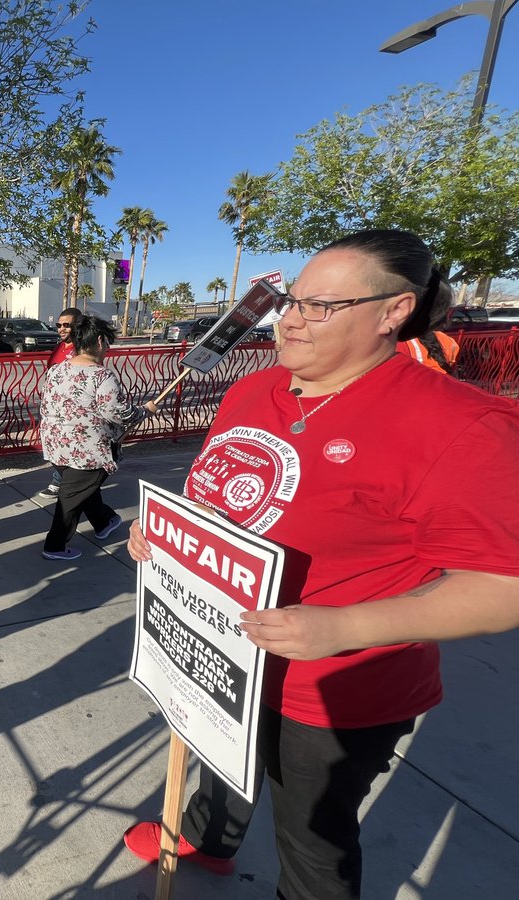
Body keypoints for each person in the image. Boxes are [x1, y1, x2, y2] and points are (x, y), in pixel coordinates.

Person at [122, 228, 519, 900]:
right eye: (291, 302)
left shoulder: (461, 424)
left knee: (312, 841)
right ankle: (209, 837)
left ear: (394, 310)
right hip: (225, 654)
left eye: (320, 307)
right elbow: (216, 495)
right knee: (220, 761)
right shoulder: (254, 390)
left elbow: (503, 585)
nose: (290, 321)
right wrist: (163, 534)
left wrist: (341, 628)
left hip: (333, 687)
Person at [37, 315, 146, 561]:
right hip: (86, 452)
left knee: (82, 489)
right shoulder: (101, 376)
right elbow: (117, 413)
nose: (107, 348)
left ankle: (105, 521)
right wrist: (144, 411)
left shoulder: (56, 370)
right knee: (71, 497)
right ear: (99, 341)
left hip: (57, 447)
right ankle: (55, 546)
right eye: (107, 342)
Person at [38, 307, 83, 500]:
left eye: (66, 325)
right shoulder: (59, 347)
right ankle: (64, 480)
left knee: (67, 446)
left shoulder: (81, 349)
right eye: (59, 325)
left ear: (77, 326)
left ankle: (60, 482)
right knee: (53, 446)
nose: (61, 329)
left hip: (71, 408)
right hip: (52, 406)